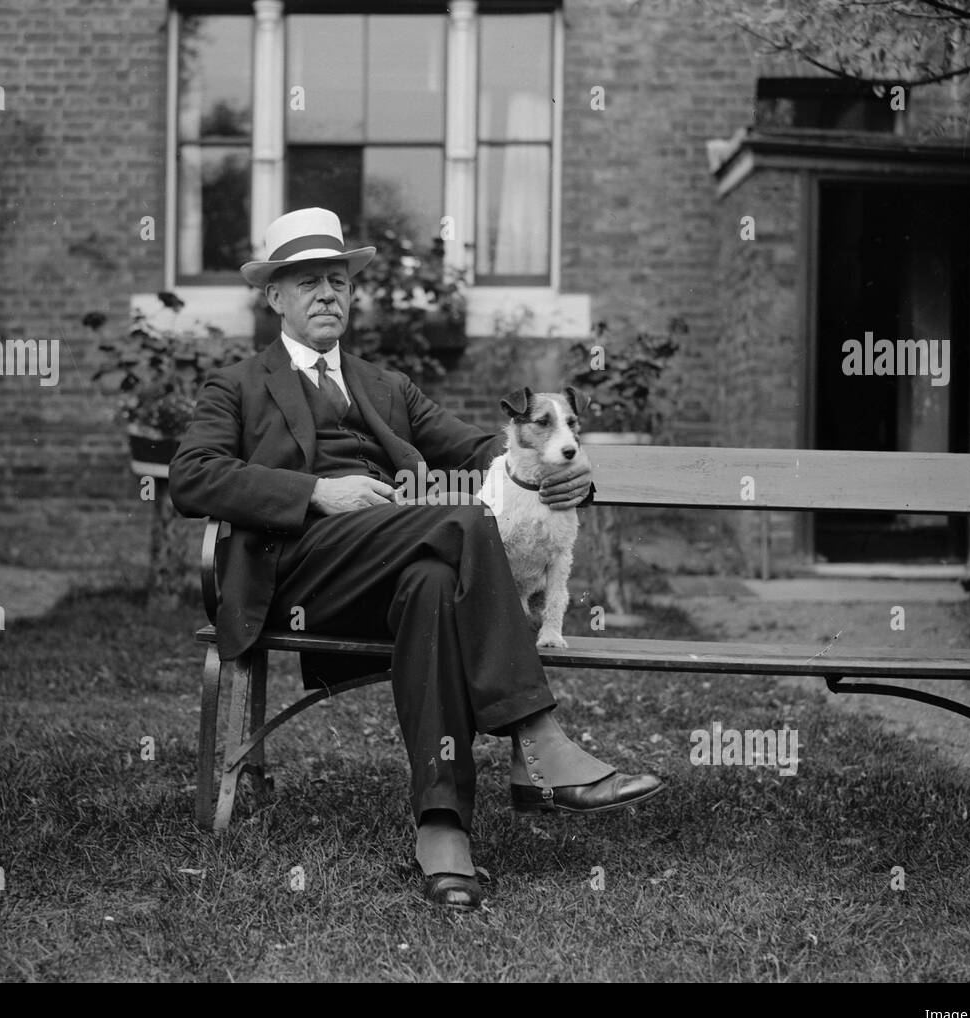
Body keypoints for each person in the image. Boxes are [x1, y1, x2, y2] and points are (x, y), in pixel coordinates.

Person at [169, 207, 662, 910]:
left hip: (394, 566)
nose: (328, 294)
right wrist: (316, 490)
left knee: (434, 579)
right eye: (308, 282)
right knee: (459, 523)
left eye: (337, 279)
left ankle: (442, 833)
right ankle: (538, 740)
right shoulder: (239, 385)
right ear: (274, 296)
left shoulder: (385, 385)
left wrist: (562, 468)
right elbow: (192, 476)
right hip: (300, 571)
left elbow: (483, 447)